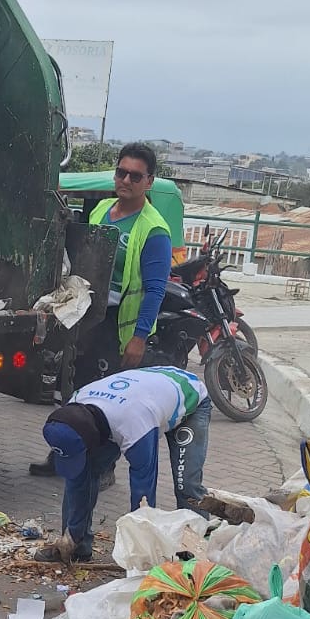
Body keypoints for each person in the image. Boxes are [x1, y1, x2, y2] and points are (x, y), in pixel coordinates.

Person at [30, 143, 173, 476]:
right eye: (121, 173)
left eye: (135, 176)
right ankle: (63, 457)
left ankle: (102, 469)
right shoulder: (102, 210)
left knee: (107, 403)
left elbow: (155, 290)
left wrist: (138, 338)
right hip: (86, 318)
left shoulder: (154, 230)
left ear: (149, 181)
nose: (126, 180)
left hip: (117, 327)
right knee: (75, 391)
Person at [34, 365, 211, 562]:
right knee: (85, 471)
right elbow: (78, 479)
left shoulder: (134, 427)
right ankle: (76, 546)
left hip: (187, 395)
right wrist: (71, 535)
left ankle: (197, 556)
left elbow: (143, 493)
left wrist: (140, 553)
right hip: (142, 398)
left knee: (186, 484)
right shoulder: (75, 406)